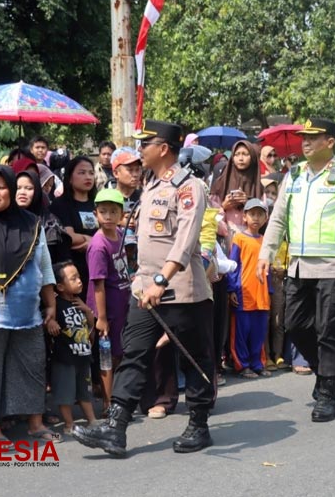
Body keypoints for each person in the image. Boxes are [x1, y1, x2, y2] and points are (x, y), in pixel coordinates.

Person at [73, 119, 215, 455]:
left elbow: (185, 239)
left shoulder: (189, 186)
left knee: (196, 358)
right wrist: (141, 278)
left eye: (145, 144)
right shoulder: (150, 185)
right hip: (147, 290)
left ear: (163, 148)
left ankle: (199, 423)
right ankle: (116, 427)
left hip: (184, 291)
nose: (140, 150)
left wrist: (162, 279)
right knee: (135, 353)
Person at [257, 118, 335, 422]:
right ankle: (325, 373)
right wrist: (265, 254)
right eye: (303, 138)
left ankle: (327, 392)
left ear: (330, 142)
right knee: (294, 325)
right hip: (298, 266)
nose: (305, 142)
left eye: (313, 137)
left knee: (328, 331)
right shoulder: (293, 175)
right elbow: (279, 218)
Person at [0, 166, 61, 443]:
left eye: (1, 187)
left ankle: (35, 422)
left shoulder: (30, 223)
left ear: (11, 190)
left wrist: (50, 302)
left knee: (31, 365)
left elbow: (44, 265)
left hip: (27, 310)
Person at [85, 189, 132, 408]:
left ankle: (119, 397)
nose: (108, 216)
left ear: (122, 214)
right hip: (106, 308)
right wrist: (101, 317)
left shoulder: (120, 235)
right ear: (95, 214)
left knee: (119, 352)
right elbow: (98, 284)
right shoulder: (98, 245)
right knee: (107, 355)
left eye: (114, 211)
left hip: (122, 302)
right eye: (103, 211)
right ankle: (108, 402)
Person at [50, 261, 97, 435]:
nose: (79, 281)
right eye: (73, 278)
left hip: (83, 354)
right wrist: (52, 322)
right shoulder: (56, 304)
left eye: (78, 276)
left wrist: (88, 311)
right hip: (65, 357)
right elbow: (48, 320)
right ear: (60, 286)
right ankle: (69, 424)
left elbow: (91, 327)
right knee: (66, 393)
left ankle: (92, 420)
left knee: (84, 391)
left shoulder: (78, 301)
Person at [227, 198, 271, 377]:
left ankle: (257, 363)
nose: (256, 218)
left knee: (258, 332)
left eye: (260, 215)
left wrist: (270, 291)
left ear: (266, 218)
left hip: (262, 294)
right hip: (243, 293)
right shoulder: (239, 238)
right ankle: (242, 364)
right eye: (252, 214)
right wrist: (231, 289)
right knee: (241, 333)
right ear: (244, 217)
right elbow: (233, 264)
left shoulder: (265, 241)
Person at [50, 156, 98, 300]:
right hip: (74, 272)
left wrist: (89, 242)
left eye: (91, 173)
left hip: (97, 267)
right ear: (70, 178)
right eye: (82, 173)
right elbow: (69, 237)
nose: (88, 177)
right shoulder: (61, 205)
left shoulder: (98, 203)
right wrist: (95, 241)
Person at [210, 140, 264, 235]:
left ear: (252, 157)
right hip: (225, 237)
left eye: (245, 154)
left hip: (250, 239)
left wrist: (249, 204)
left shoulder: (258, 186)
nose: (241, 158)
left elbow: (264, 218)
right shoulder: (221, 184)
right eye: (237, 154)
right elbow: (210, 215)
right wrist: (223, 206)